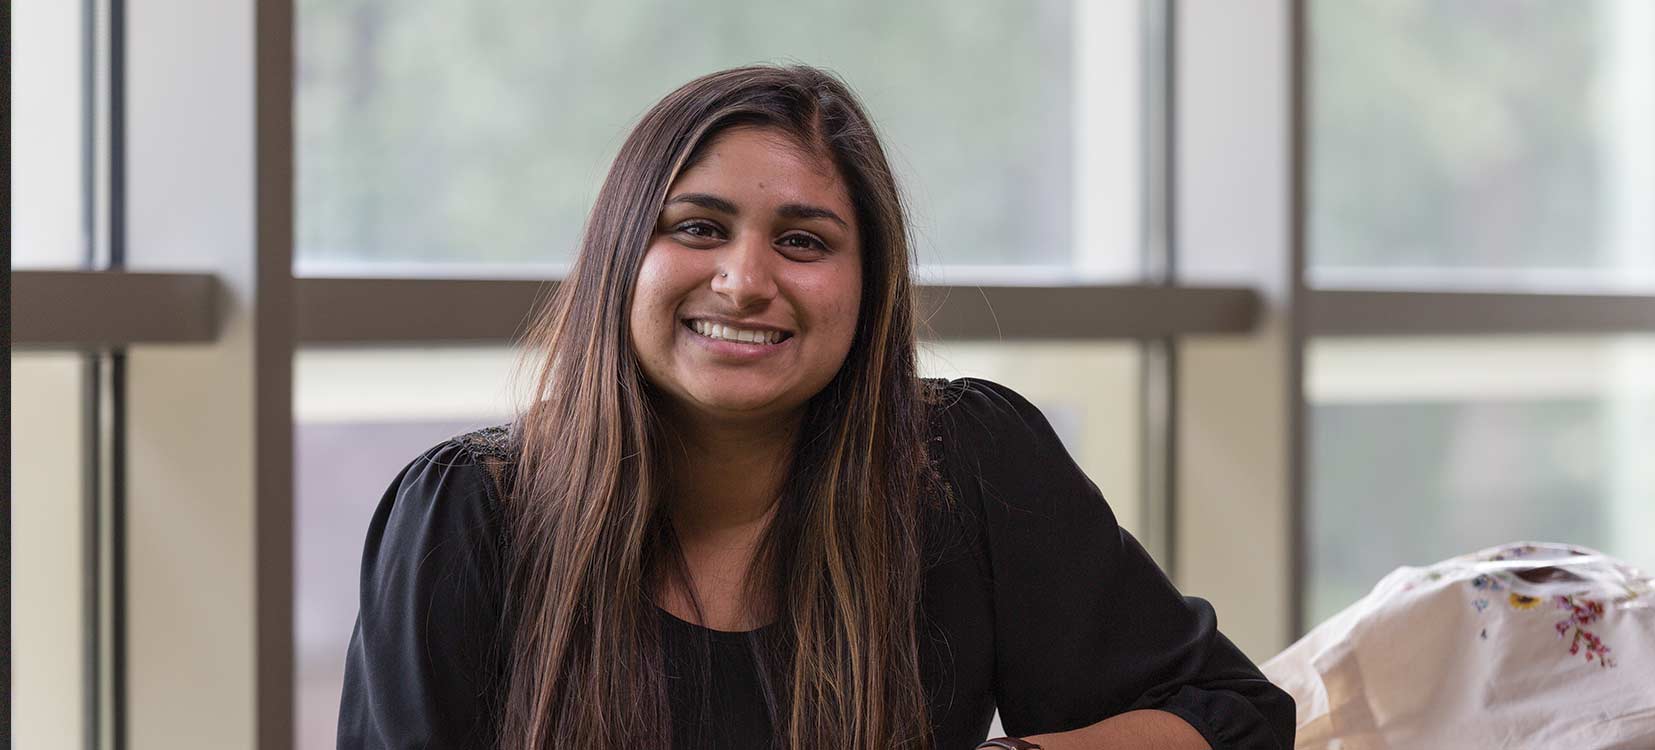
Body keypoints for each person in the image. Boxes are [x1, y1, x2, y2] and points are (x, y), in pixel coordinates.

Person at [336, 64, 1295, 750]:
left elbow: (1231, 712)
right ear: (622, 258)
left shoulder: (965, 462)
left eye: (803, 241)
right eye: (699, 228)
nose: (745, 281)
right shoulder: (466, 513)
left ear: (868, 287)